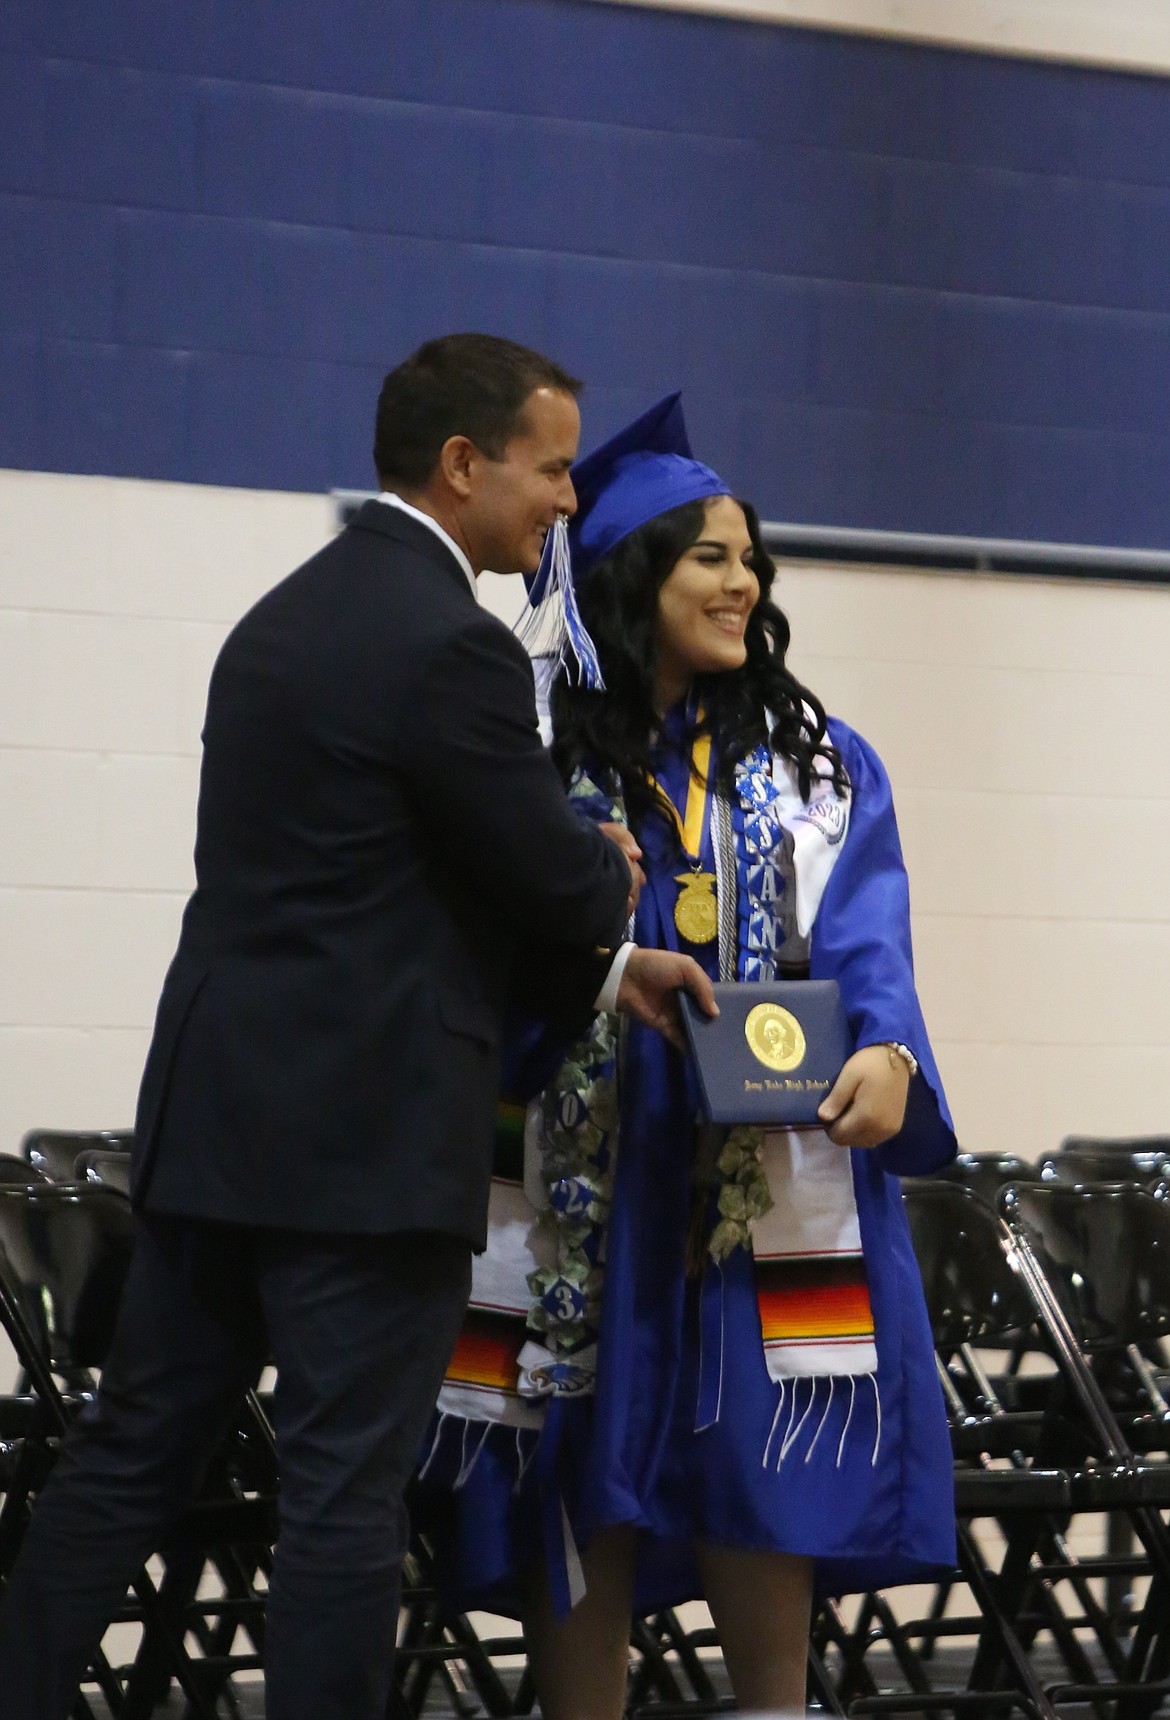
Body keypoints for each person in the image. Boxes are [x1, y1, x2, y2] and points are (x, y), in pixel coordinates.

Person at [0, 340, 715, 1720]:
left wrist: (598, 958)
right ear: (465, 466)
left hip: (215, 1121)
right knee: (342, 1496)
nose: (566, 503)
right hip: (365, 1144)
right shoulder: (448, 642)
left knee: (130, 1456)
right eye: (552, 468)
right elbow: (545, 876)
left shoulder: (278, 618)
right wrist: (606, 880)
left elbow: (373, 886)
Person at [414, 394, 959, 1719]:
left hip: (757, 1169)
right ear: (632, 571)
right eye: (707, 554)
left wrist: (884, 1054)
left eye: (748, 557)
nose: (742, 581)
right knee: (569, 1440)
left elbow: (868, 941)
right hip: (575, 1167)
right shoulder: (535, 761)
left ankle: (773, 1710)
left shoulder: (817, 767)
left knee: (759, 1454)